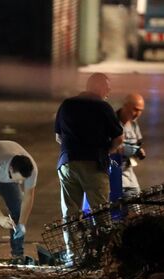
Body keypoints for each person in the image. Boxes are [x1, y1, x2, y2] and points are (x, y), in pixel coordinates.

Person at [54, 73, 123, 262]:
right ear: (98, 86)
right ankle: (104, 257)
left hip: (67, 163)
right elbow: (118, 137)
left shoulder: (67, 104)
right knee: (100, 212)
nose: (109, 90)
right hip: (93, 164)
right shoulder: (102, 107)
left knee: (70, 213)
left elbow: (58, 136)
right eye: (107, 87)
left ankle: (73, 256)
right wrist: (107, 151)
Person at [116, 93, 146, 199]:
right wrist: (130, 150)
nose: (137, 114)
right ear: (125, 105)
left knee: (137, 206)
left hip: (129, 173)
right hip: (114, 174)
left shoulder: (133, 124)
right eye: (135, 109)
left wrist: (139, 151)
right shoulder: (113, 123)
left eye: (140, 111)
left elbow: (137, 143)